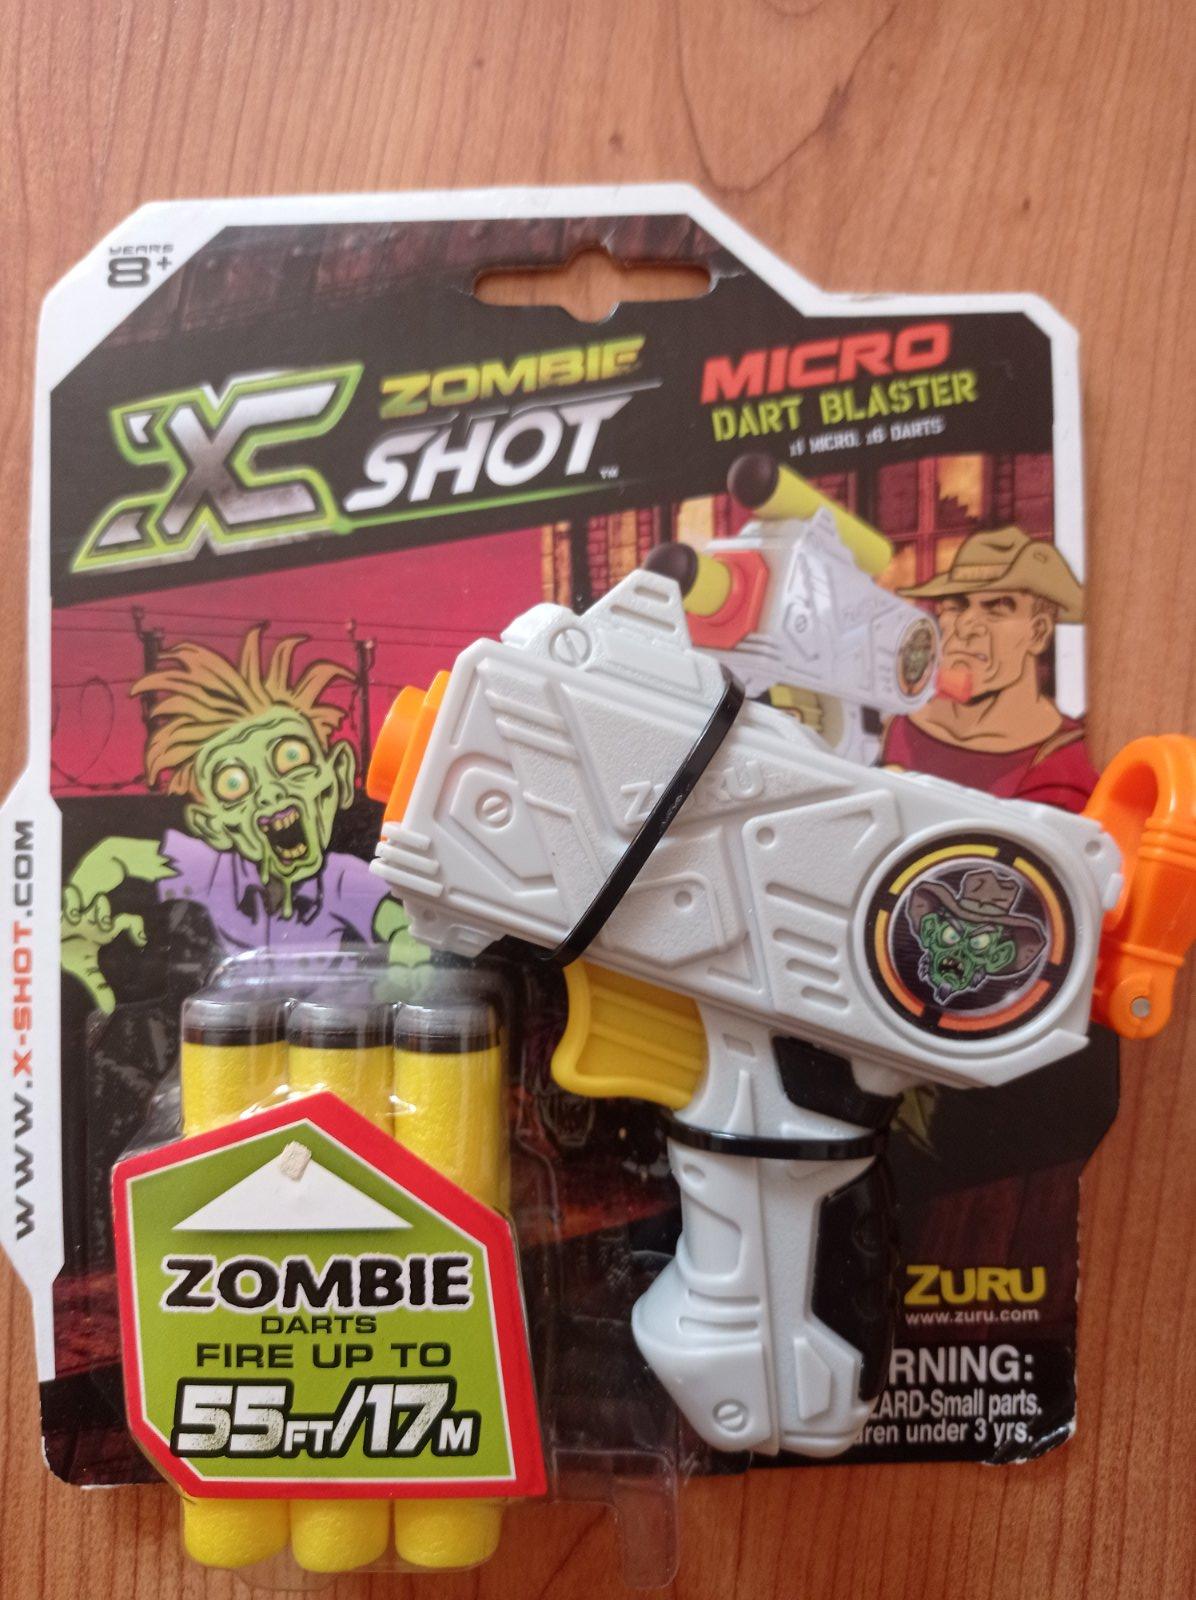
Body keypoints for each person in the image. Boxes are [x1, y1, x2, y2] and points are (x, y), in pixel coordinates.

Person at [60, 626, 419, 1013]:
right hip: (236, 1034)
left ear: (337, 775)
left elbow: (400, 924)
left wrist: (405, 969)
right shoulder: (218, 875)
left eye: (291, 758)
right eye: (233, 783)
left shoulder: (341, 880)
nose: (269, 792)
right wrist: (75, 912)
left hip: (343, 1034)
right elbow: (115, 855)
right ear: (211, 825)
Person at [880, 527, 1098, 811]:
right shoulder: (903, 727)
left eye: (996, 608)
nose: (965, 626)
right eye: (956, 606)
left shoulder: (1064, 762)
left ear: (1038, 633)